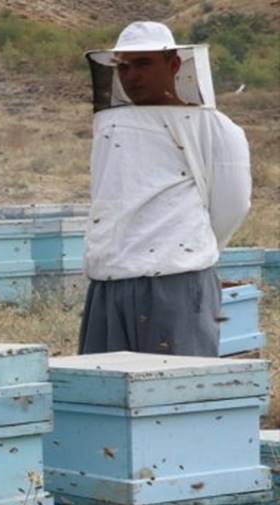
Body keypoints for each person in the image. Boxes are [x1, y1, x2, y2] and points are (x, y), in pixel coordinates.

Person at [79, 21, 251, 356]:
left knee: (177, 395)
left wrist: (186, 247)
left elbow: (232, 205)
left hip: (177, 283)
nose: (131, 76)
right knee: (107, 396)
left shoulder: (216, 128)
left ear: (173, 65)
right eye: (124, 66)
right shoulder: (109, 124)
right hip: (109, 282)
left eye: (143, 64)